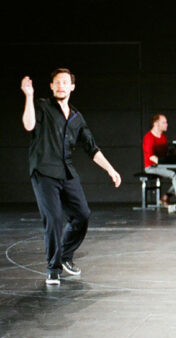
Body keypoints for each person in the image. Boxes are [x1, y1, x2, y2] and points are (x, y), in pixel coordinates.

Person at [21, 69, 122, 285]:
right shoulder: (42, 106)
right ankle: (53, 268)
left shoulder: (77, 117)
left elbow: (91, 148)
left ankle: (65, 256)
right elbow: (29, 125)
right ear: (51, 86)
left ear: (72, 87)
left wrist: (111, 169)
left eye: (65, 82)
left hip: (66, 172)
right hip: (44, 171)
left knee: (82, 214)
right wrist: (28, 96)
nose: (61, 85)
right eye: (57, 82)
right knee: (54, 218)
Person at [142, 114, 176, 204]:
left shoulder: (163, 137)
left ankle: (166, 196)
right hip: (151, 167)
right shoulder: (148, 137)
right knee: (174, 174)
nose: (167, 124)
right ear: (156, 124)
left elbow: (166, 155)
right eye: (164, 122)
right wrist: (165, 164)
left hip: (161, 165)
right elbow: (152, 157)